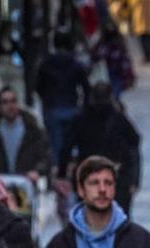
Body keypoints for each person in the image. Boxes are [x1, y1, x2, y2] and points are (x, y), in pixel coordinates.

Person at [62, 83, 143, 215]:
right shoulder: (119, 119)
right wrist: (134, 179)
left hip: (91, 174)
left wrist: (63, 173)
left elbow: (66, 147)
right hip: (117, 175)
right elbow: (134, 146)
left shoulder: (81, 119)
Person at [0, 87, 52, 182]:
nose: (10, 106)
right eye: (5, 102)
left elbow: (46, 157)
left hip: (26, 182)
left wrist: (37, 171)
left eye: (13, 101)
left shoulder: (33, 129)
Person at [35, 30, 91, 168]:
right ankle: (69, 169)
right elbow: (85, 87)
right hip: (71, 106)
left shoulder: (46, 63)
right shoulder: (75, 64)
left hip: (53, 107)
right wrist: (83, 106)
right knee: (71, 142)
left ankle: (59, 170)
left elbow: (38, 86)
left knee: (56, 143)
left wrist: (46, 100)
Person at [91, 20, 137, 100]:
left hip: (115, 74)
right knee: (111, 96)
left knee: (113, 95)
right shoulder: (104, 44)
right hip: (106, 74)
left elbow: (125, 61)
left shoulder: (113, 44)